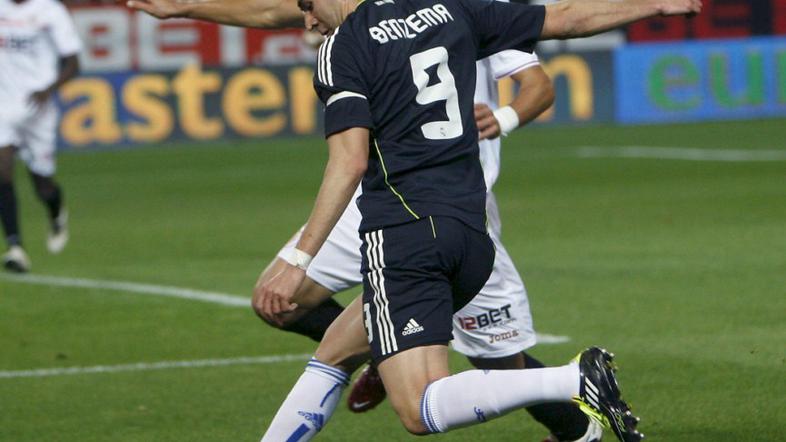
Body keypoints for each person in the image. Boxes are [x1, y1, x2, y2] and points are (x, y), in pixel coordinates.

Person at [126, 0, 603, 440]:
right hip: (374, 198)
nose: (309, 22)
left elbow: (539, 76)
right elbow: (279, 10)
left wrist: (506, 117)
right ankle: (383, 347)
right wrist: (185, 6)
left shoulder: (467, 9)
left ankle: (578, 425)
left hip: (454, 204)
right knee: (279, 301)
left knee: (493, 361)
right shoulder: (366, 15)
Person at [250, 0, 698, 440]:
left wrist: (298, 258)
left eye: (308, 5)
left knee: (419, 409)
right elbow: (563, 18)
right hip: (470, 232)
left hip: (405, 232)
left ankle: (573, 380)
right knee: (334, 352)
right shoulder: (452, 9)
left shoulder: (342, 46)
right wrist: (652, 4)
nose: (308, 22)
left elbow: (349, 161)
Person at [0, 0, 81, 272]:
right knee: (2, 171)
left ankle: (56, 212)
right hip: (4, 105)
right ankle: (15, 247)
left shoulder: (49, 11)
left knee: (42, 183)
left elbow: (73, 63)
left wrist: (49, 89)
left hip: (38, 107)